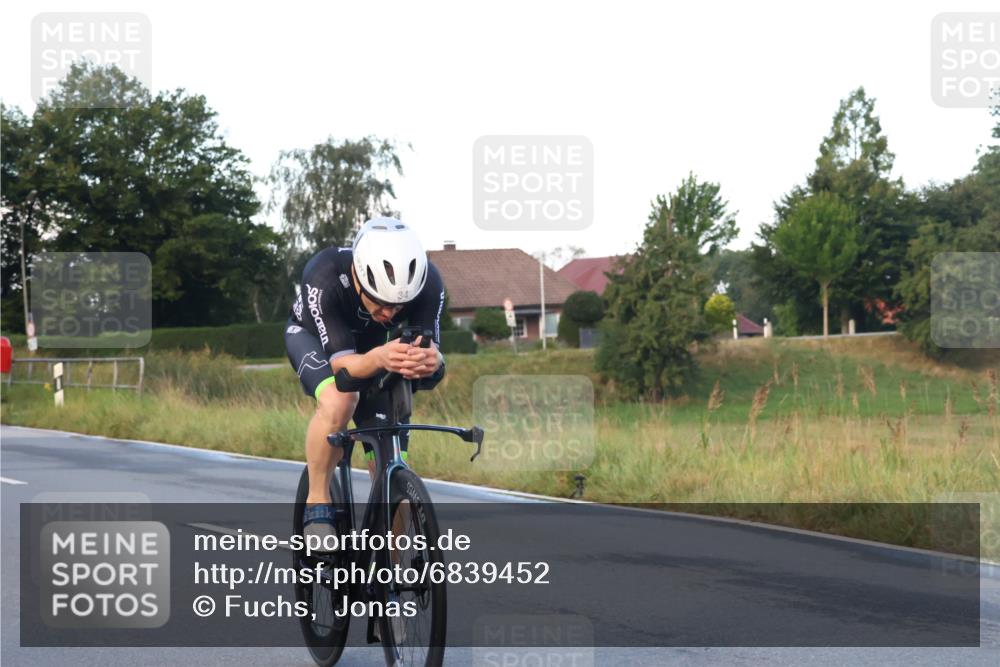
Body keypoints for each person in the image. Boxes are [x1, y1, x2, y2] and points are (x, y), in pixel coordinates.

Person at [284, 217, 445, 545]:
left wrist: (431, 361)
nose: (389, 313)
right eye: (381, 302)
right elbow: (344, 370)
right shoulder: (325, 274)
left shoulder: (429, 283)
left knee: (391, 449)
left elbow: (433, 359)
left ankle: (389, 570)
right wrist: (380, 358)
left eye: (398, 305)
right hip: (314, 339)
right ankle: (317, 502)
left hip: (376, 348)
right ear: (359, 278)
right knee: (340, 401)